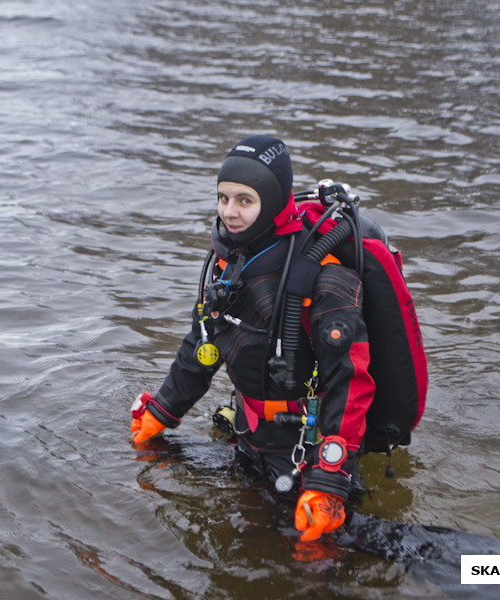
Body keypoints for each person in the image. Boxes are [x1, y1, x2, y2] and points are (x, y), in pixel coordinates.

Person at [130, 135, 379, 542]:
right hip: (248, 440)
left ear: (275, 200)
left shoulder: (324, 274)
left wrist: (329, 478)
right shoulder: (229, 262)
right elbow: (202, 346)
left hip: (307, 450)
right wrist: (162, 410)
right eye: (223, 198)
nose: (230, 212)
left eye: (245, 200)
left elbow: (350, 382)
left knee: (316, 559)